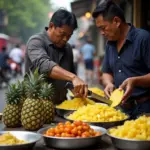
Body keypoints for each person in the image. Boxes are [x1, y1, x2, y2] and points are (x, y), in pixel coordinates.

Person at [92, 0, 150, 118]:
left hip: (145, 109)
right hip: (121, 110)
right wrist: (108, 83)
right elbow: (106, 72)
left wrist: (135, 81)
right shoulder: (110, 44)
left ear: (116, 21)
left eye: (103, 28)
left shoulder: (143, 38)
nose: (102, 33)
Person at [25, 8, 88, 104]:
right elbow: (44, 65)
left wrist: (76, 89)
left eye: (69, 36)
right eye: (62, 34)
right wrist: (73, 77)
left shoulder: (68, 48)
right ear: (51, 26)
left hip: (61, 105)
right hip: (36, 107)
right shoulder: (35, 42)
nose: (65, 39)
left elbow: (70, 76)